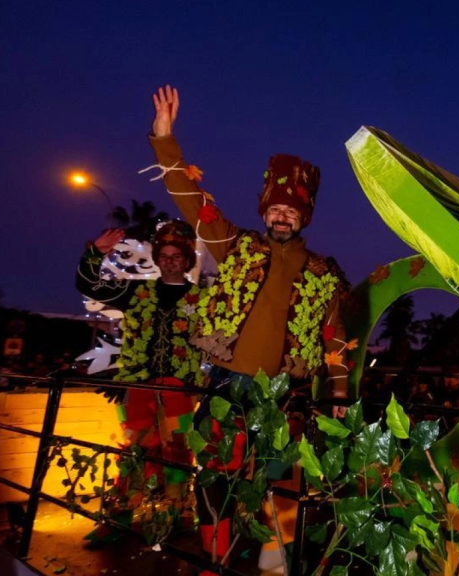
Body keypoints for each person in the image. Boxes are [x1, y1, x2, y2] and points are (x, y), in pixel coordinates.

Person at [146, 84, 352, 573]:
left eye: (292, 211)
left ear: (303, 217)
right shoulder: (235, 244)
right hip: (225, 384)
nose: (283, 216)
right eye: (276, 209)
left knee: (279, 476)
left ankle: (271, 558)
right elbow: (192, 201)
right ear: (265, 211)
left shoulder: (324, 273)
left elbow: (336, 337)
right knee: (214, 476)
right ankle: (214, 558)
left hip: (282, 392)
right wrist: (164, 138)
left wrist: (338, 392)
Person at [75, 221, 205, 538]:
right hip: (139, 386)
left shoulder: (202, 298)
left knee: (178, 451)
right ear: (158, 258)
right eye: (166, 254)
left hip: (181, 388)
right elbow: (89, 286)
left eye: (178, 256)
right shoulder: (136, 290)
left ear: (187, 261)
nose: (171, 260)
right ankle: (119, 516)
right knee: (134, 450)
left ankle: (175, 514)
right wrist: (94, 255)